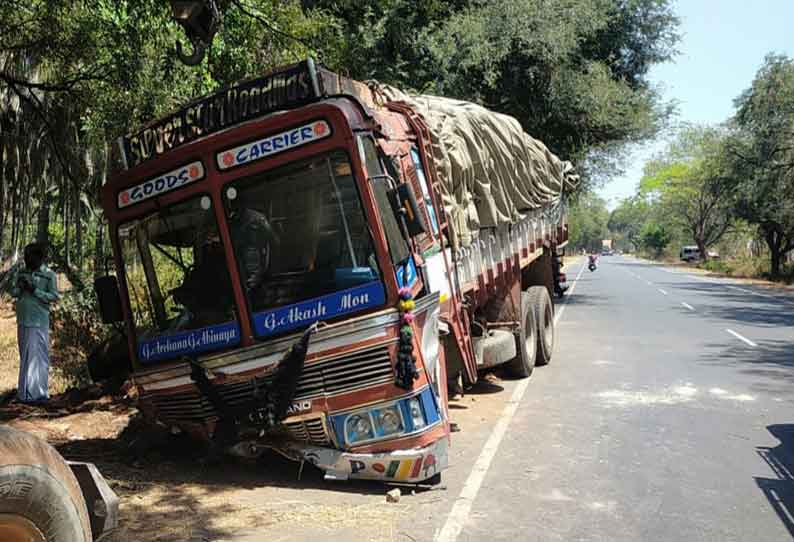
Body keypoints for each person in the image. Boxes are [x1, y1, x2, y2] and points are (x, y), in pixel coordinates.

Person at [10, 243, 60, 404]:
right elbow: (14, 293)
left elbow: (53, 296)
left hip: (38, 320)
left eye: (28, 256)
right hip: (23, 319)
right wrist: (19, 287)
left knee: (38, 356)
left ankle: (37, 394)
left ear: (39, 257)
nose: (25, 259)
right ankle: (25, 393)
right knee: (25, 355)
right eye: (25, 256)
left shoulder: (49, 275)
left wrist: (34, 290)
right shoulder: (22, 272)